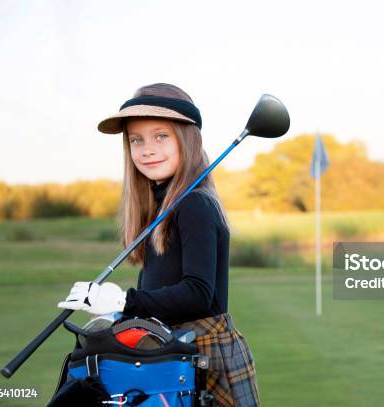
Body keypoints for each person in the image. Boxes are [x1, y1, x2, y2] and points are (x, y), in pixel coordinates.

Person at [57, 83, 261, 406]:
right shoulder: (160, 205)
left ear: (188, 138)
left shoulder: (195, 204)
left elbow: (197, 293)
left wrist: (125, 301)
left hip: (206, 356)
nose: (147, 149)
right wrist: (118, 314)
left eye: (160, 136)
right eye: (136, 140)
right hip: (174, 352)